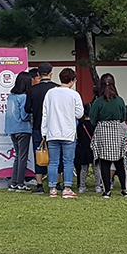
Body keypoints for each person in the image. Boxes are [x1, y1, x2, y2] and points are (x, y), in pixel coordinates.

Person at [41, 68, 83, 198]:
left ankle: (53, 188)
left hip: (52, 132)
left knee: (53, 161)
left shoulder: (50, 93)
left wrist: (44, 131)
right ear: (72, 80)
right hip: (68, 133)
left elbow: (45, 113)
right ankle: (67, 188)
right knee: (68, 161)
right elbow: (79, 113)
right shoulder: (74, 95)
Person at [89, 73, 127, 198]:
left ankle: (107, 191)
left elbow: (92, 119)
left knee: (104, 162)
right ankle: (125, 189)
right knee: (120, 161)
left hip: (102, 130)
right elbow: (123, 117)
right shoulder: (120, 101)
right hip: (117, 130)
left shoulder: (98, 101)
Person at [25, 62, 58, 193]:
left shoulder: (32, 90)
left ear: (38, 74)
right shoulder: (56, 89)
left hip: (38, 126)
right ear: (51, 73)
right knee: (56, 155)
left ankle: (39, 184)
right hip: (54, 127)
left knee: (39, 153)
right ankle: (57, 182)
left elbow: (27, 108)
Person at [4, 71, 33, 191]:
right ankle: (20, 183)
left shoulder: (11, 96)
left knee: (17, 156)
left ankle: (14, 181)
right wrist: (32, 116)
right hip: (23, 129)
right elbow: (24, 115)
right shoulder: (24, 97)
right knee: (23, 157)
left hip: (12, 129)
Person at [74, 102, 95, 193]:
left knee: (83, 168)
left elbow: (78, 137)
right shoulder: (94, 124)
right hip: (93, 148)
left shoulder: (80, 125)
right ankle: (98, 185)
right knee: (96, 167)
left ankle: (81, 185)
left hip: (83, 148)